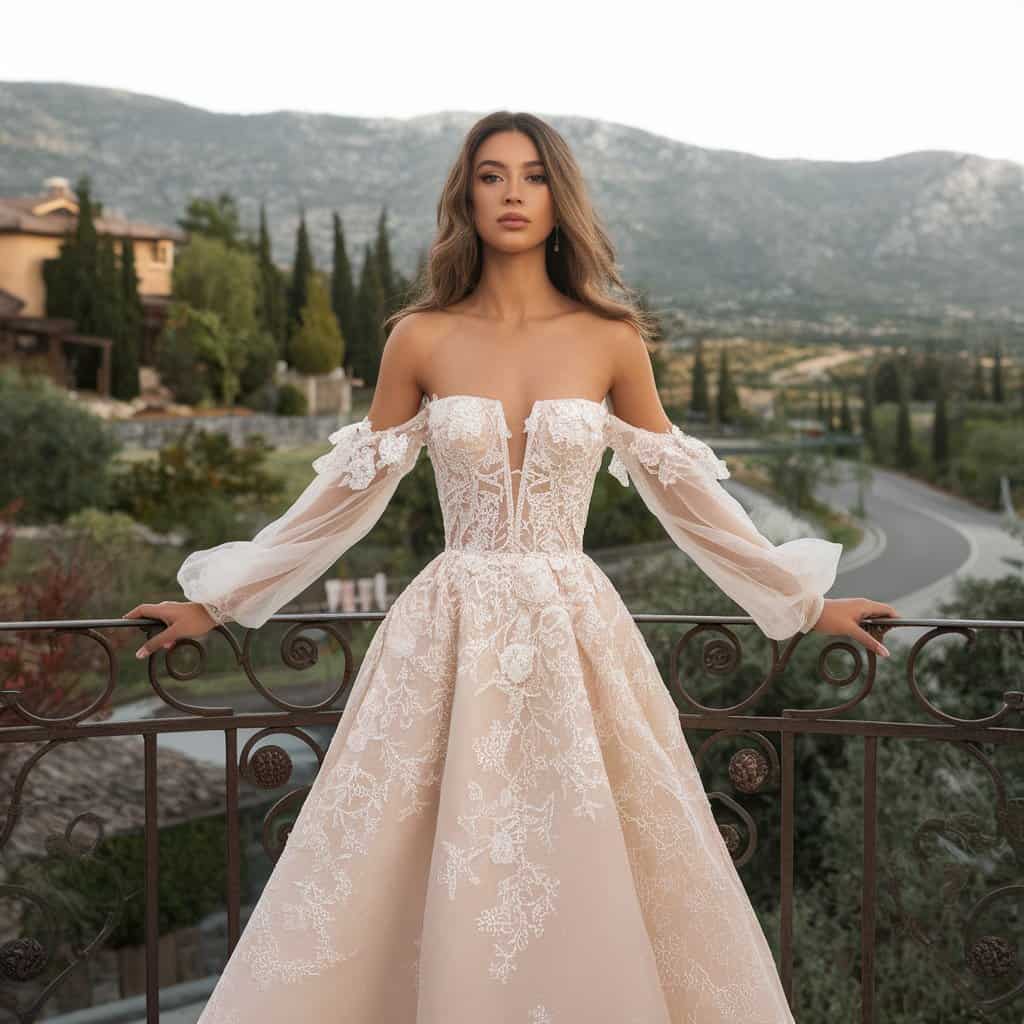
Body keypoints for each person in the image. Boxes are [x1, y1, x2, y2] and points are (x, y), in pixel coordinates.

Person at [124, 111, 898, 1023]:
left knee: (584, 853)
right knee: (432, 852)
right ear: (467, 197)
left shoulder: (610, 336)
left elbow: (685, 495)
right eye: (492, 176)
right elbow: (345, 494)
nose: (513, 193)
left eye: (532, 176)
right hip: (450, 633)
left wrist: (803, 603)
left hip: (578, 637)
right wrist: (216, 604)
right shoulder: (419, 335)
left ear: (559, 199)